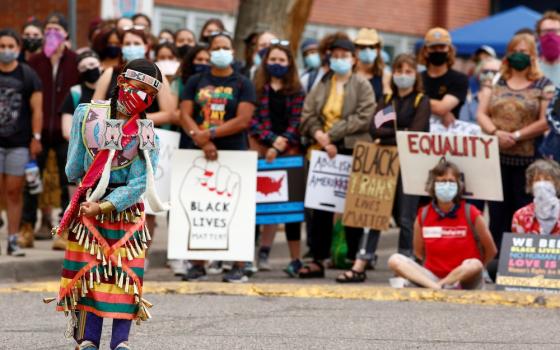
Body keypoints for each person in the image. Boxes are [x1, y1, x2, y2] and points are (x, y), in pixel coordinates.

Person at [45, 58, 166, 350]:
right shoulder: (87, 116)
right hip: (90, 207)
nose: (141, 98)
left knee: (124, 277)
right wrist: (86, 193)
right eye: (138, 89)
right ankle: (88, 339)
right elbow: (73, 166)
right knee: (89, 276)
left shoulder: (146, 133)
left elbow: (140, 183)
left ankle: (120, 342)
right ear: (121, 81)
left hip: (119, 211)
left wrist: (104, 204)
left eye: (149, 96)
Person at [337, 54, 430, 283]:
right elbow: (374, 128)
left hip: (410, 164)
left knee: (407, 217)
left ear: (415, 75)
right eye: (399, 71)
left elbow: (416, 132)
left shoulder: (421, 100)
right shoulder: (387, 99)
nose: (403, 76)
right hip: (384, 162)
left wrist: (393, 134)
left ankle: (405, 266)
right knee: (374, 213)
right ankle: (361, 262)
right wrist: (399, 132)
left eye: (408, 71)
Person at [179, 32, 256, 283]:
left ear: (233, 52)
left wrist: (209, 134)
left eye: (226, 47)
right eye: (216, 47)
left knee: (235, 208)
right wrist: (200, 138)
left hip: (234, 150)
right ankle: (198, 264)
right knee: (199, 205)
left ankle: (239, 264)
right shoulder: (195, 80)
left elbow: (243, 119)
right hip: (199, 150)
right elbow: (184, 113)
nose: (221, 51)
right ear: (209, 52)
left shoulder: (243, 83)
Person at [298, 38, 376, 278]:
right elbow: (307, 114)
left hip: (351, 149)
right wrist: (320, 135)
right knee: (318, 208)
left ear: (353, 59)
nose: (339, 60)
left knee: (352, 206)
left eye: (345, 55)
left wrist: (332, 135)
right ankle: (317, 258)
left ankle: (354, 258)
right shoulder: (321, 83)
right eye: (336, 55)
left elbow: (364, 115)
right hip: (322, 151)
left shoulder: (362, 84)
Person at [477, 33, 555, 253]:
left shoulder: (543, 85)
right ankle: (494, 260)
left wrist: (517, 135)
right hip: (496, 158)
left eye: (524, 52)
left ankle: (519, 261)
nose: (519, 56)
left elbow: (545, 121)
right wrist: (496, 132)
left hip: (528, 161)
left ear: (532, 56)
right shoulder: (495, 80)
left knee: (523, 211)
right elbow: (481, 113)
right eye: (515, 51)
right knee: (497, 213)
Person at [388, 160, 496, 289]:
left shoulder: (471, 212)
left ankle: (439, 286)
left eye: (451, 181)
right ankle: (438, 287)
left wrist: (474, 270)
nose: (446, 185)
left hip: (465, 279)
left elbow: (491, 250)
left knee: (475, 264)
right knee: (395, 260)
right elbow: (418, 252)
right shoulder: (423, 215)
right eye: (442, 181)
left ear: (458, 185)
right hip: (432, 277)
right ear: (433, 185)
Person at [22, 12, 79, 245]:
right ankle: (27, 226)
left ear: (65, 34)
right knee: (33, 179)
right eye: (48, 31)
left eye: (56, 30)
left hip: (67, 132)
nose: (51, 35)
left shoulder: (75, 61)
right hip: (40, 131)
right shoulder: (35, 61)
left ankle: (63, 230)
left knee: (69, 181)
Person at [250, 41, 305, 276]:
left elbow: (298, 121)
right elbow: (252, 120)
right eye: (273, 60)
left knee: (290, 209)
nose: (277, 64)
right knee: (255, 209)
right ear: (265, 61)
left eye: (282, 60)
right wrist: (272, 140)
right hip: (261, 150)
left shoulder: (297, 90)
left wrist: (281, 143)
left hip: (289, 154)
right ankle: (248, 258)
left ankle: (294, 259)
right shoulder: (256, 88)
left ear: (289, 63)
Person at [0, 29, 42, 256]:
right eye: (2, 46)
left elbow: (37, 110)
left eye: (10, 46)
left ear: (17, 48)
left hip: (18, 144)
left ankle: (13, 239)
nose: (5, 50)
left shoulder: (28, 75)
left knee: (14, 192)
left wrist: (36, 138)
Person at [93, 27, 175, 126]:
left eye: (136, 43)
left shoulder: (157, 75)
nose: (132, 47)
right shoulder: (111, 72)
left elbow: (168, 114)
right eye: (127, 44)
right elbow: (95, 106)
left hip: (144, 135)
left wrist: (133, 120)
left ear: (146, 47)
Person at [419, 27, 468, 129]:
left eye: (442, 47)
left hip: (447, 137)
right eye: (433, 47)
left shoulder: (459, 79)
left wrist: (414, 100)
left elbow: (441, 108)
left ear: (449, 49)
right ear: (425, 50)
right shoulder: (417, 78)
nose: (438, 51)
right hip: (418, 133)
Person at [512, 159, 560, 235]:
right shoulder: (520, 215)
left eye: (547, 179)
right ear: (531, 185)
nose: (542, 184)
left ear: (557, 184)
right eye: (537, 180)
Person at [353, 28, 391, 103]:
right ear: (356, 50)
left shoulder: (385, 76)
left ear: (378, 50)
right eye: (362, 47)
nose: (367, 50)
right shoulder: (348, 74)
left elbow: (388, 105)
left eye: (371, 47)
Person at [459, 57, 501, 124]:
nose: (489, 75)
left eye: (495, 72)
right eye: (485, 72)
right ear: (478, 73)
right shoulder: (468, 99)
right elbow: (463, 123)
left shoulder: (506, 100)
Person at [536, 11, 560, 87]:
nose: (550, 35)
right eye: (545, 31)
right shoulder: (531, 67)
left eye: (555, 31)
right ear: (538, 35)